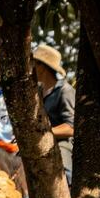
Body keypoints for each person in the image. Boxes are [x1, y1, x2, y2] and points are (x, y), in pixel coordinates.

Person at [33, 45, 75, 179]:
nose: (31, 68)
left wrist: (44, 131)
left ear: (42, 66)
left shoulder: (65, 91)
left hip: (63, 143)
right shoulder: (38, 92)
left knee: (63, 173)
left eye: (34, 63)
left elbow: (70, 128)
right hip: (41, 141)